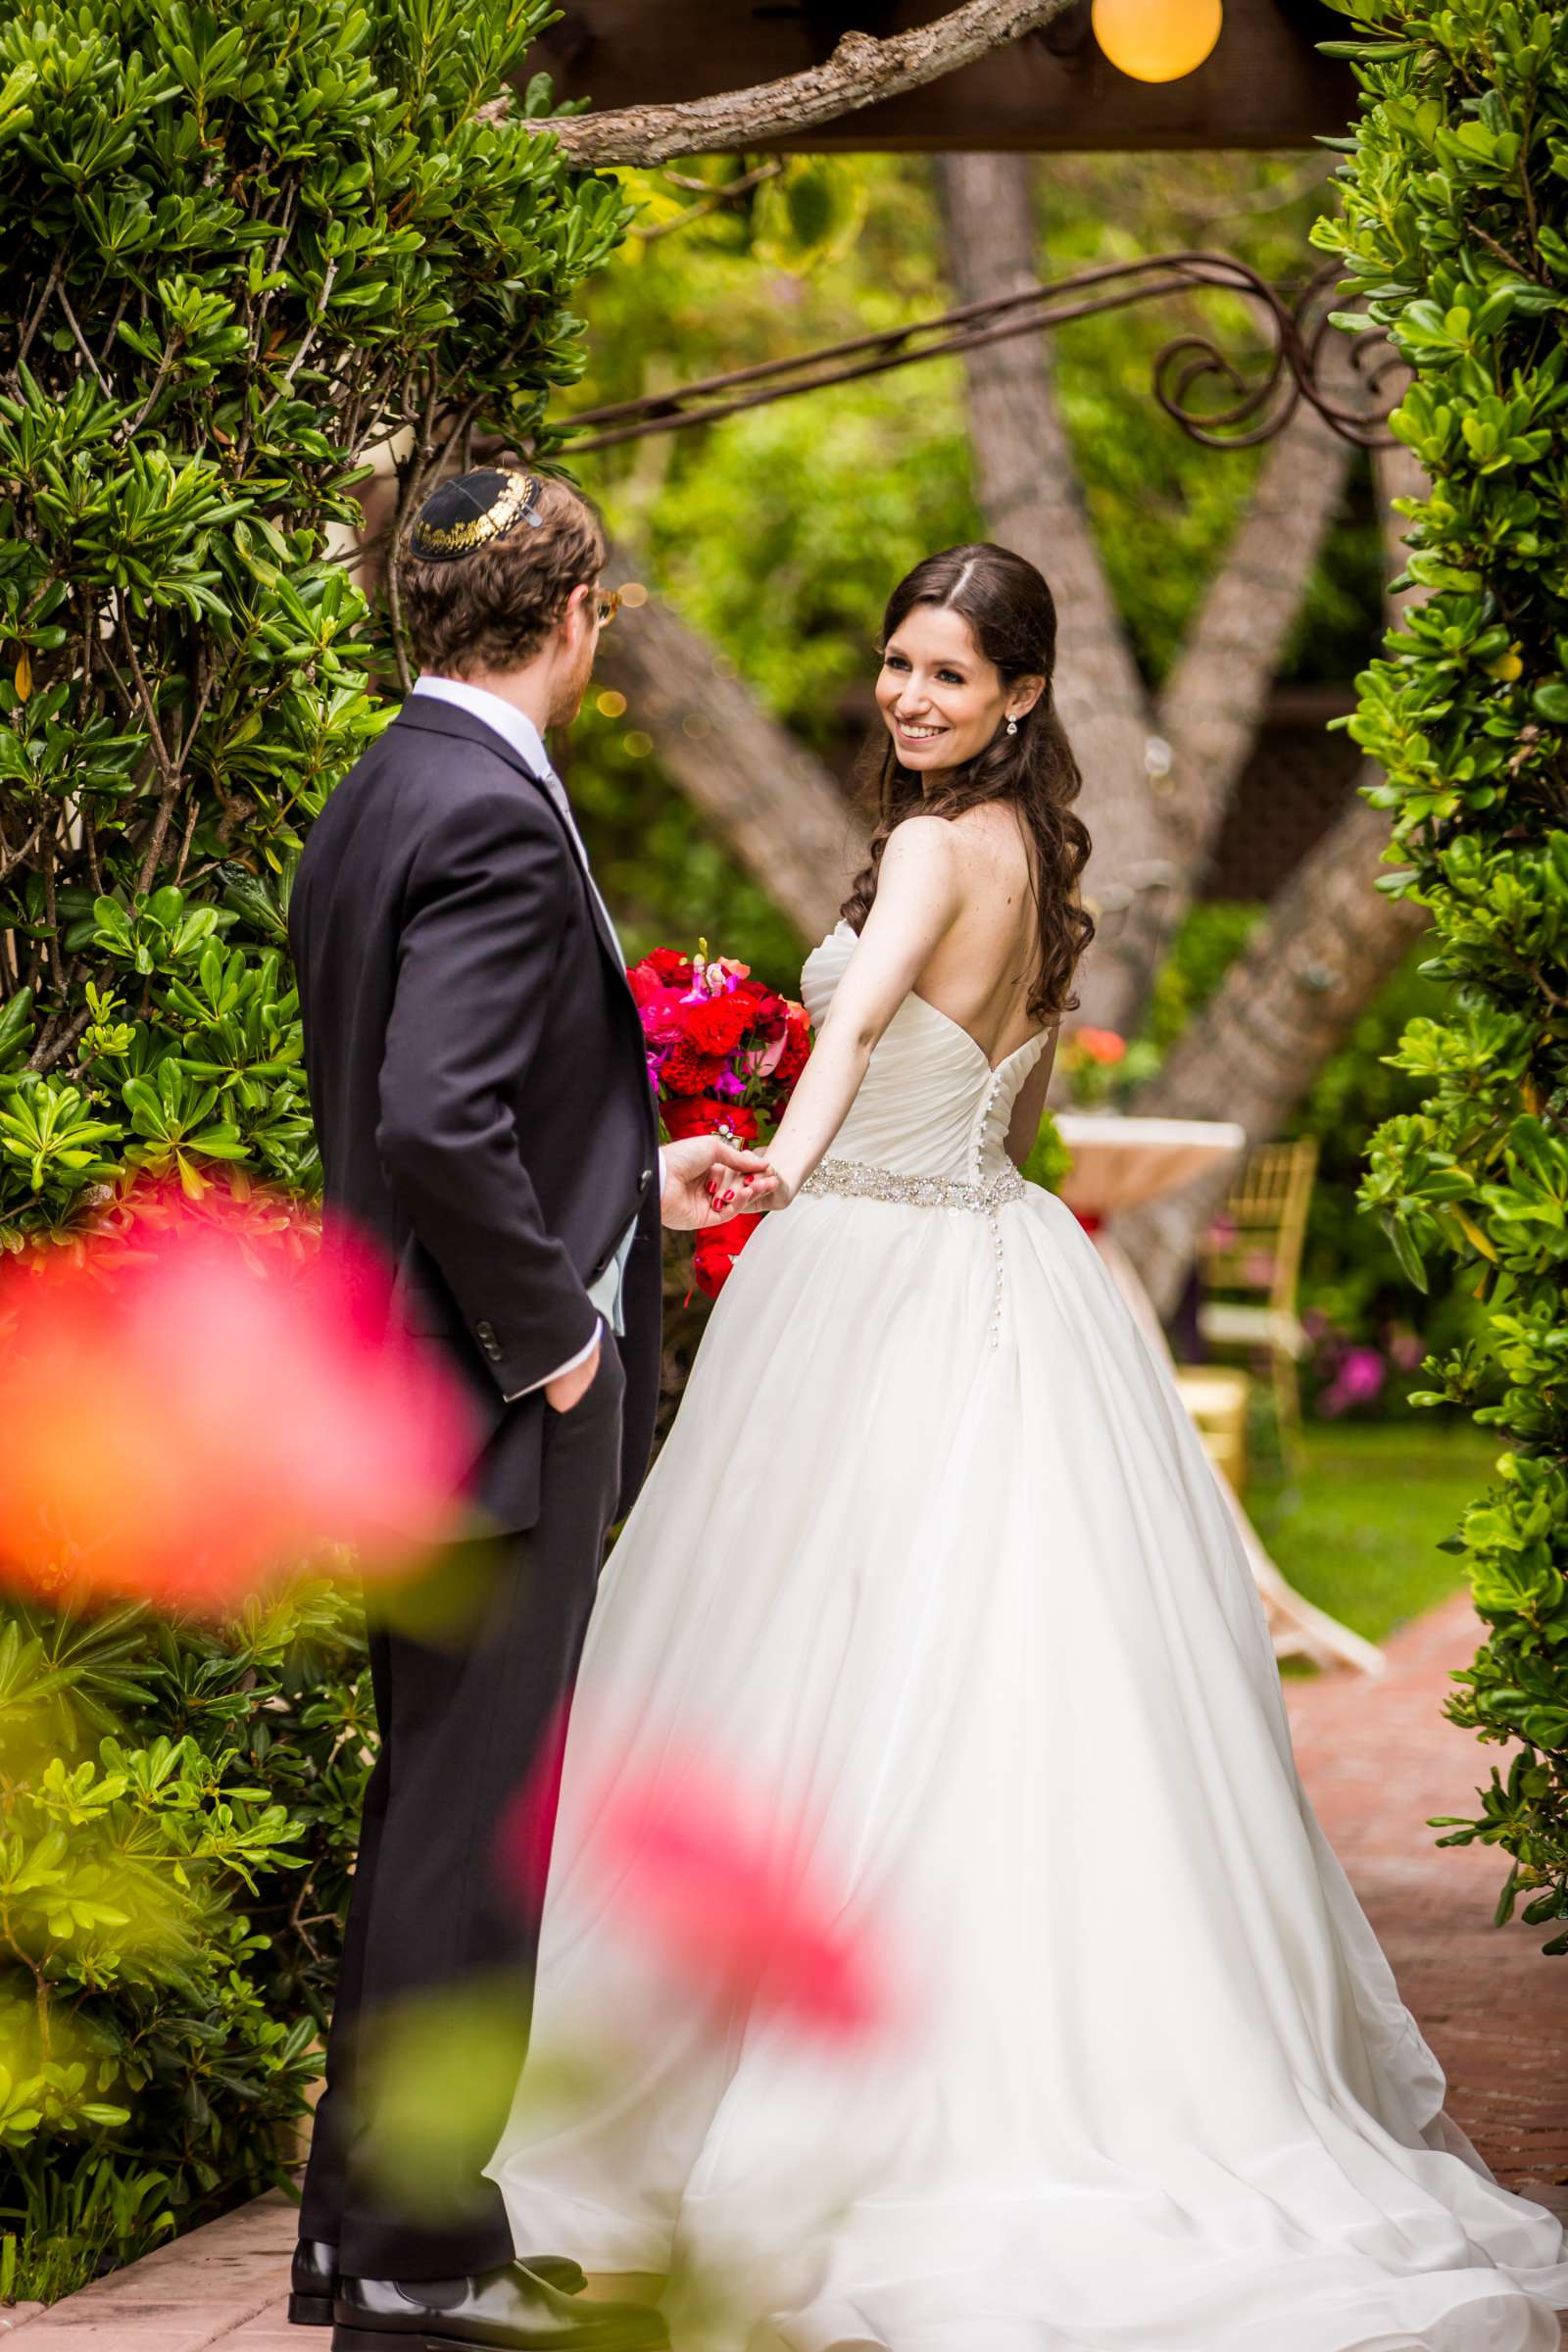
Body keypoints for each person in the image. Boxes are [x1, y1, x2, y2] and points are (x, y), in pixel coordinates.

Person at [490, 543, 1568, 2351]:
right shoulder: (1047, 864)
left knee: (806, 1665)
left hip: (869, 1271)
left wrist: (776, 1164)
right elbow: (1014, 1094)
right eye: (899, 664)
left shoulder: (926, 850)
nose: (911, 697)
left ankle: (791, 2098)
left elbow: (855, 1025)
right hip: (999, 1263)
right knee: (986, 1672)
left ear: (1021, 698)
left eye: (947, 675)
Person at [287, 467, 770, 2352]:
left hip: (404, 1396)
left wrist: (641, 1187)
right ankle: (417, 2256)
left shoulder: (386, 786)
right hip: (494, 1409)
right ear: (577, 616)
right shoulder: (492, 810)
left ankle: (381, 2223)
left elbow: (443, 1109)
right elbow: (430, 1115)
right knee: (475, 1821)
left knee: (431, 1807)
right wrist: (558, 1329)